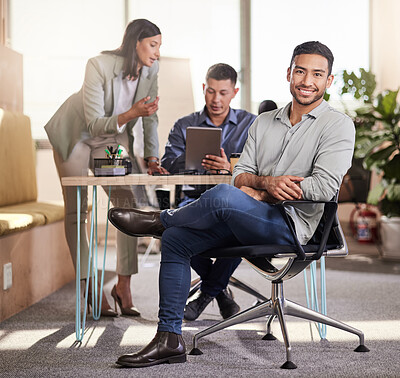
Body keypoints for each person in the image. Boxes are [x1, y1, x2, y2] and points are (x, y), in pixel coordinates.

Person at [108, 41, 355, 368]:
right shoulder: (264, 122)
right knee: (177, 240)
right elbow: (240, 175)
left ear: (329, 80)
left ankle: (160, 219)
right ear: (289, 73)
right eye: (300, 71)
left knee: (221, 197)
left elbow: (324, 186)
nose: (307, 80)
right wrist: (264, 184)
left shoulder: (338, 125)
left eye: (317, 74)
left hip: (293, 228)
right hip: (250, 217)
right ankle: (169, 339)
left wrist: (264, 189)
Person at [44, 19, 167, 317]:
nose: (158, 53)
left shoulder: (151, 70)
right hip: (76, 135)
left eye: (160, 46)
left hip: (110, 138)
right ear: (135, 42)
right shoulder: (97, 65)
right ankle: (90, 285)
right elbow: (93, 122)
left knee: (127, 203)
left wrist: (151, 157)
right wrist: (132, 112)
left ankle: (123, 286)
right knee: (78, 209)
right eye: (153, 45)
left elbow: (149, 117)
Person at [161, 63, 256, 321]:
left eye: (223, 93)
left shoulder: (251, 124)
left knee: (239, 230)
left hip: (236, 203)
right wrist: (195, 160)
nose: (216, 99)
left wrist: (231, 167)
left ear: (234, 92)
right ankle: (220, 291)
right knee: (172, 232)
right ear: (204, 88)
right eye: (211, 91)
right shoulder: (185, 124)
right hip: (194, 200)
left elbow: (264, 166)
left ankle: (205, 295)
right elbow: (167, 162)